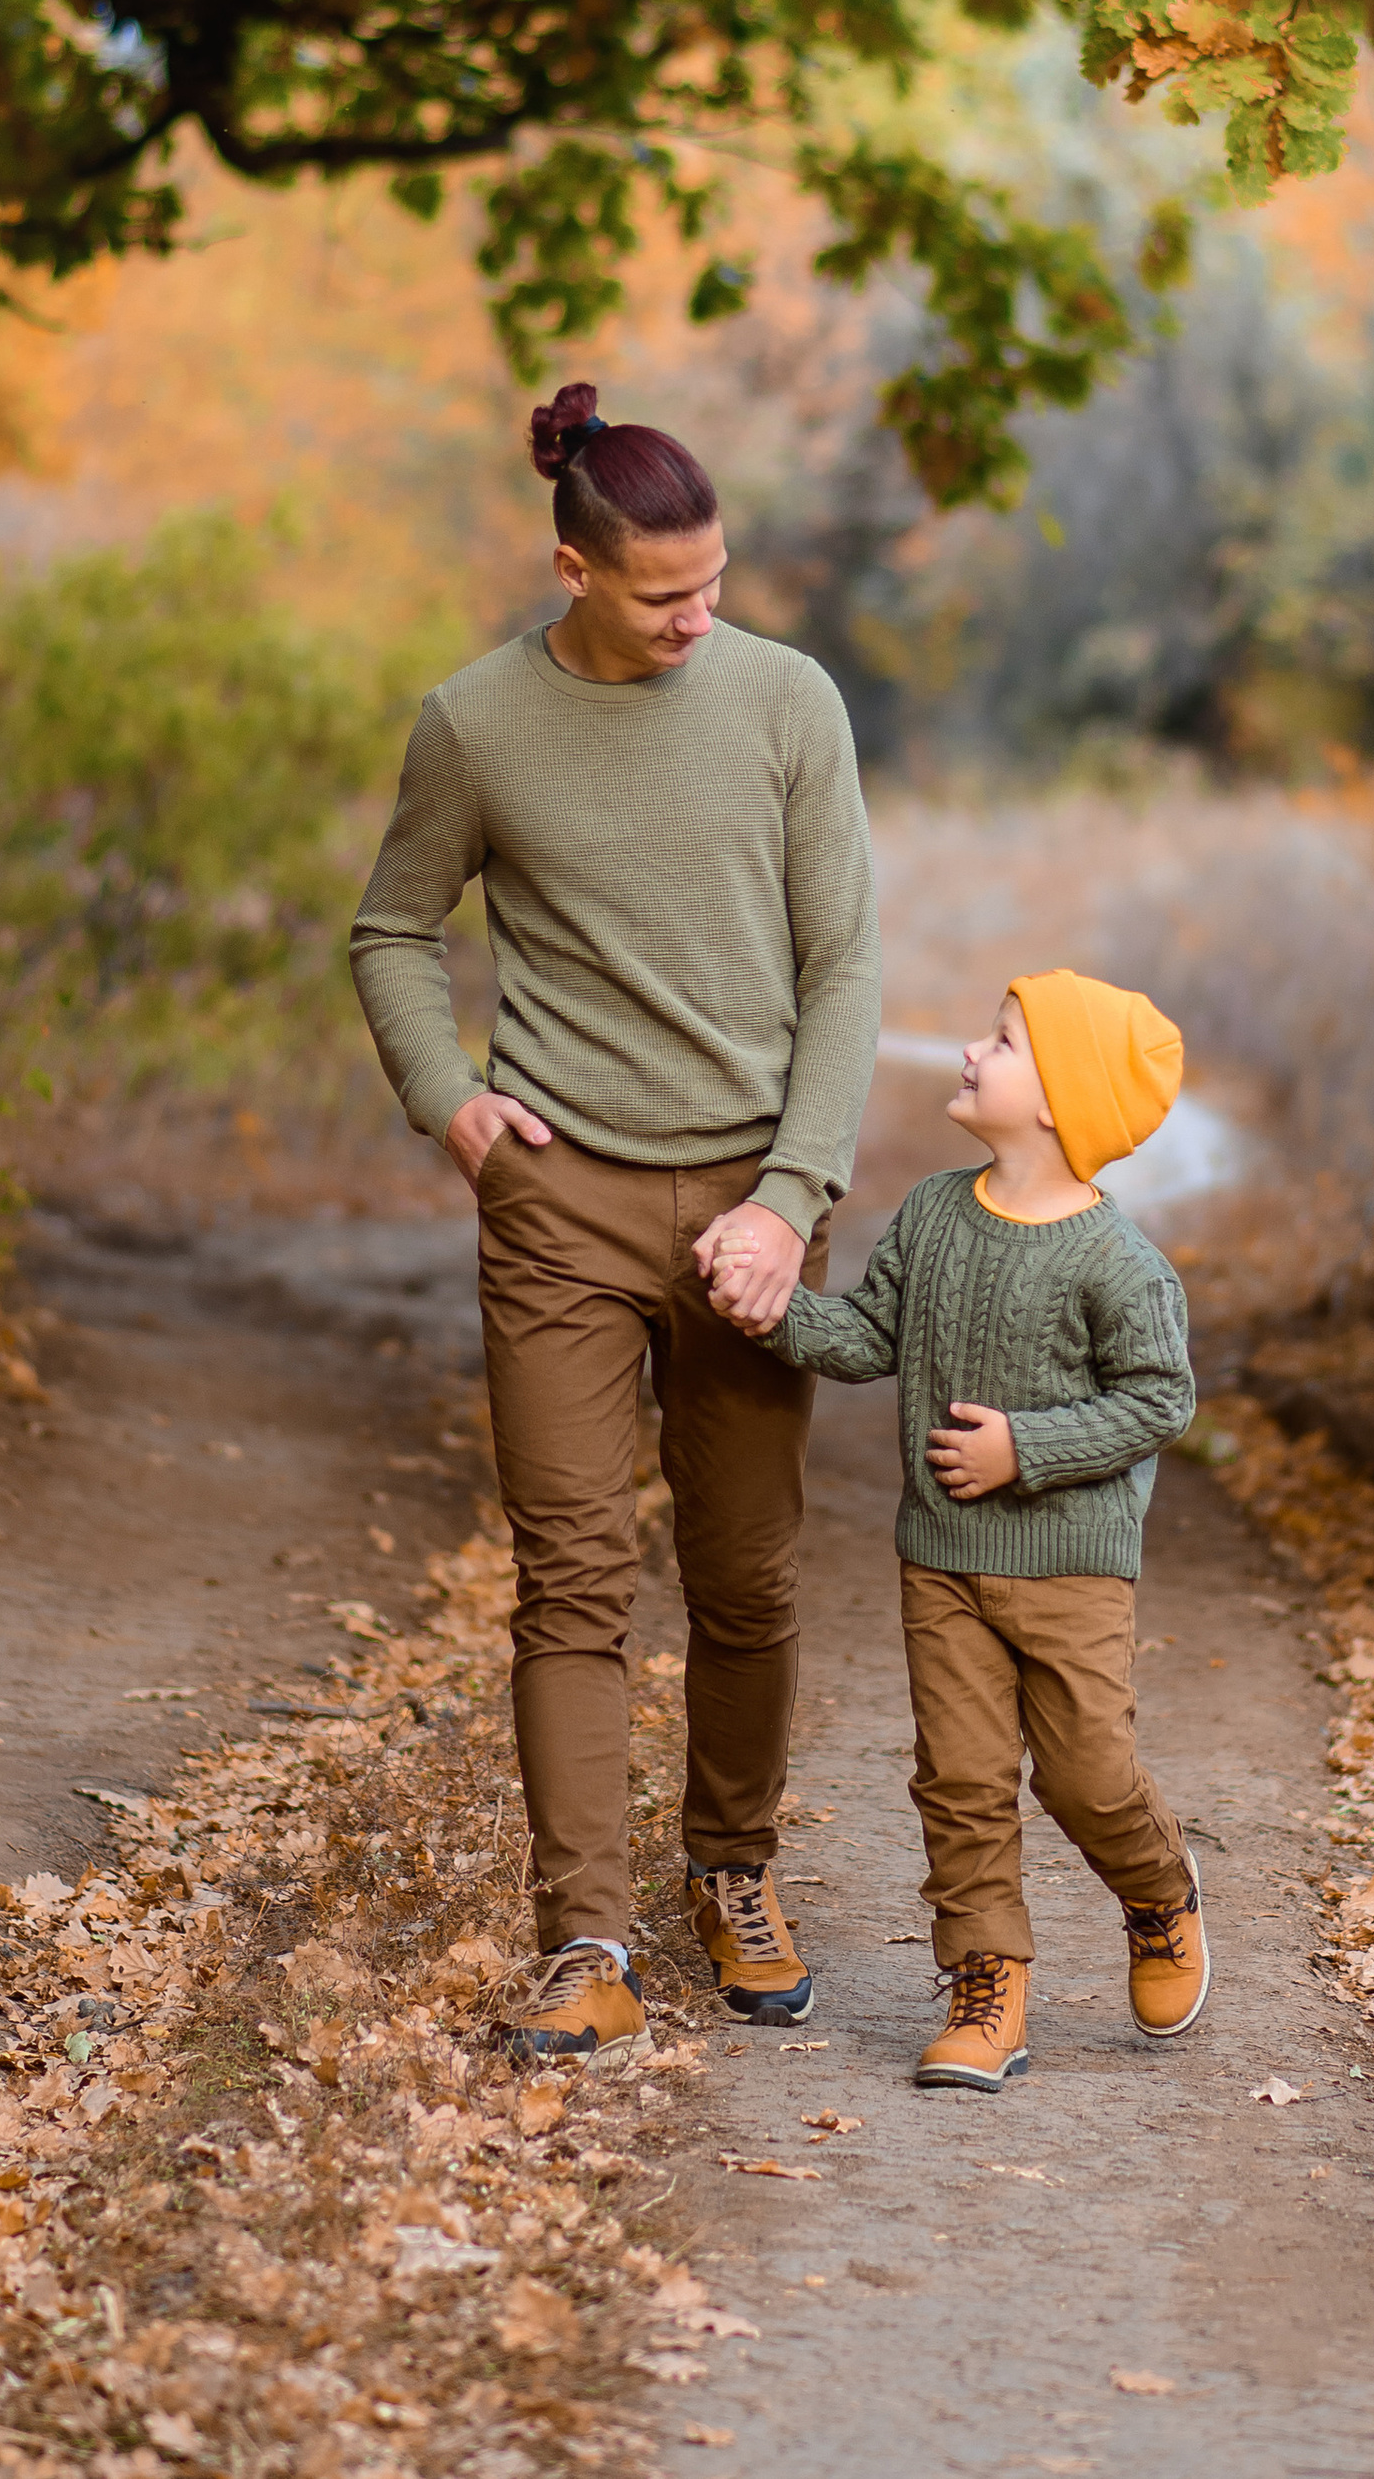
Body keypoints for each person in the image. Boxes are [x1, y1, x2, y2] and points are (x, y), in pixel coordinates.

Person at [349, 382, 881, 2065]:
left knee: (745, 1573)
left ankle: (733, 1868)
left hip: (748, 1211)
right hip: (558, 1204)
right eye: (664, 594)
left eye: (714, 581)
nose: (697, 617)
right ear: (572, 567)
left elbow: (845, 970)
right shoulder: (475, 723)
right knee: (570, 1577)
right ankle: (582, 1934)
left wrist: (790, 1201)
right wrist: (451, 1100)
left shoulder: (788, 702)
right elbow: (391, 927)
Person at [730, 968, 1204, 2093]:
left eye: (1000, 1043)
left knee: (1086, 1776)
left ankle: (1158, 1893)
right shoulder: (935, 1214)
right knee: (961, 1782)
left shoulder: (1117, 1263)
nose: (970, 1053)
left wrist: (1023, 1449)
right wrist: (773, 1308)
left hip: (1071, 1571)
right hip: (942, 1562)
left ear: (1060, 1099)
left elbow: (1160, 1400)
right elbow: (867, 1336)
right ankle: (987, 1986)